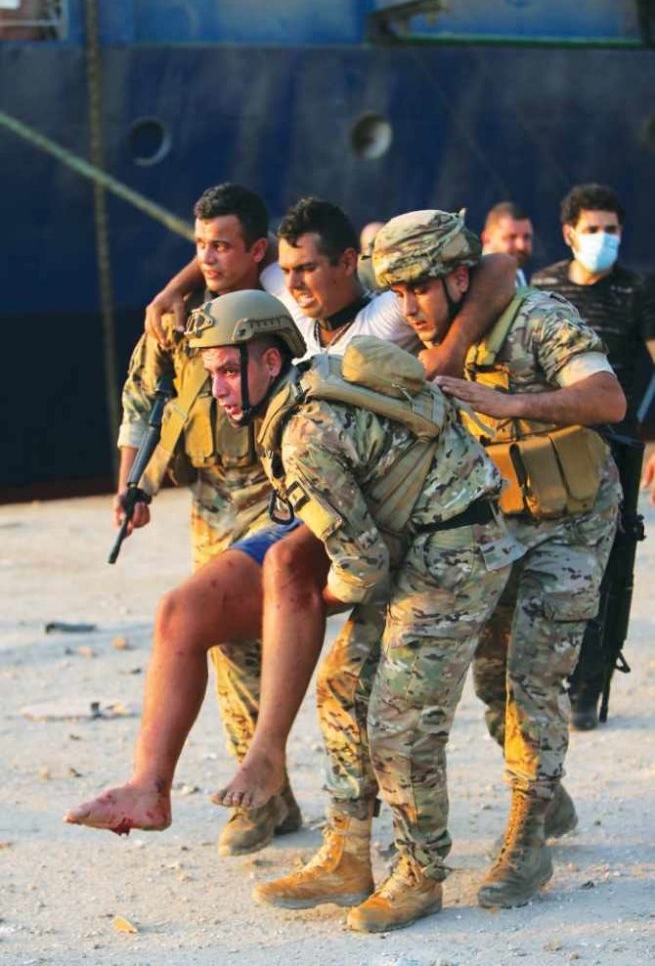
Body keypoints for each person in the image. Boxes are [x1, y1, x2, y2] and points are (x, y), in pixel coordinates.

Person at [65, 197, 517, 850]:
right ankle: (148, 786)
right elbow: (221, 259)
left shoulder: (378, 316)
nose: (297, 282)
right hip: (301, 498)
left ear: (345, 265)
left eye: (309, 269)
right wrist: (175, 286)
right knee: (179, 613)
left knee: (294, 584)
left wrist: (446, 351)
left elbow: (496, 266)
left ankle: (272, 761)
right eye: (289, 269)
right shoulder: (277, 311)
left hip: (390, 507)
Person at [190, 288, 522, 934]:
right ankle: (347, 855)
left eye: (229, 371)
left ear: (268, 361)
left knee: (399, 722)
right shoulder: (307, 383)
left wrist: (316, 601)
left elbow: (361, 567)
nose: (221, 390)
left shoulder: (302, 432)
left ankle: (420, 873)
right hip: (426, 540)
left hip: (457, 548)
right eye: (212, 376)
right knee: (342, 685)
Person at [372, 209, 624, 909]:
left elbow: (607, 398)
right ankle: (547, 793)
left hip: (572, 518)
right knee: (488, 676)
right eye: (397, 293)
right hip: (496, 520)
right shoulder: (419, 324)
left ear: (456, 279)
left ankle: (527, 836)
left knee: (533, 677)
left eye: (419, 289)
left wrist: (505, 401)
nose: (407, 307)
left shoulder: (539, 320)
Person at [66, 182, 304, 855]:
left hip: (276, 492)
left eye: (222, 246)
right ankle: (268, 802)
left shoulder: (286, 306)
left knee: (273, 643)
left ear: (258, 249)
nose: (207, 258)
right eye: (198, 246)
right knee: (230, 653)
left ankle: (275, 788)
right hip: (210, 496)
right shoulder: (174, 320)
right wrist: (129, 485)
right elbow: (142, 400)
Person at [531, 182, 655, 729]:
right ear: (569, 234)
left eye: (613, 229)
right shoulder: (545, 286)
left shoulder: (638, 290)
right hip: (552, 447)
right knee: (545, 562)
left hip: (619, 446)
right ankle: (545, 676)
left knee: (611, 568)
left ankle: (590, 680)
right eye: (593, 229)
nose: (604, 239)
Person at [481, 200, 534, 288]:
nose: (521, 246)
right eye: (511, 237)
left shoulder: (517, 274)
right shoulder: (471, 281)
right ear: (486, 239)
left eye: (526, 237)